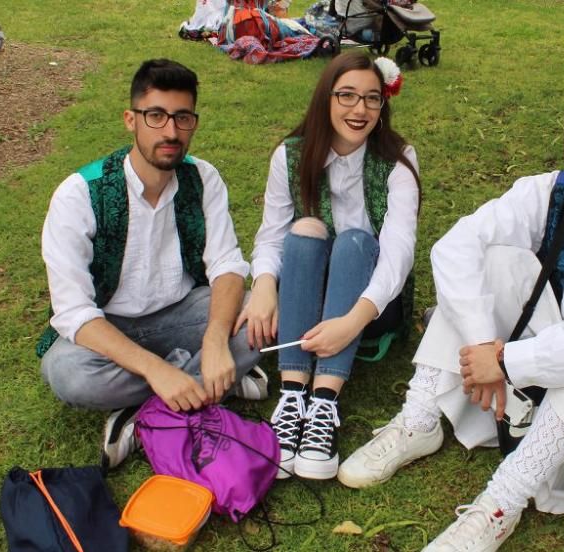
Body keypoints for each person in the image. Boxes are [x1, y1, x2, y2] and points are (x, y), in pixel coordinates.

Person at [338, 86, 564, 552]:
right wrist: (482, 345)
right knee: (487, 262)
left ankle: (502, 500)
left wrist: (507, 361)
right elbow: (453, 246)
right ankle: (420, 421)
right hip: (539, 352)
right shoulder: (547, 191)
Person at [37, 59, 265, 469]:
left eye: (182, 118)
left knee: (256, 320)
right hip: (108, 325)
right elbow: (74, 311)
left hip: (181, 312)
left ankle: (138, 413)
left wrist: (215, 340)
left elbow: (227, 265)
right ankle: (206, 382)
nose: (171, 132)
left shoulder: (203, 178)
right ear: (131, 119)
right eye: (156, 116)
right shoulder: (80, 195)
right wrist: (158, 370)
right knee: (67, 374)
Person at [237, 52, 419, 480]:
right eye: (347, 96)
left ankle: (324, 401)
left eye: (372, 99)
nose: (360, 110)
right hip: (307, 291)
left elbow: (398, 253)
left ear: (382, 106)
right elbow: (271, 233)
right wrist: (264, 286)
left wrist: (353, 321)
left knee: (356, 241)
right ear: (326, 98)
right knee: (303, 230)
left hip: (369, 305)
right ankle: (293, 394)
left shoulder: (398, 159)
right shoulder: (291, 154)